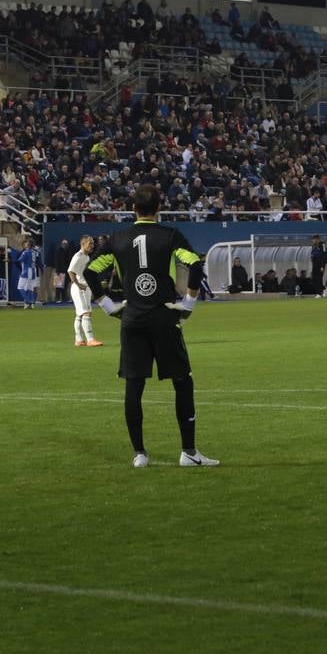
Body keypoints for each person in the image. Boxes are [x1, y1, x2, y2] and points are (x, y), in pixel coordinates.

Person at [82, 184, 218, 469]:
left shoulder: (118, 238)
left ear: (133, 210)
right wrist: (189, 304)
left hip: (132, 319)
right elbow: (195, 265)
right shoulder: (170, 236)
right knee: (183, 381)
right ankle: (188, 452)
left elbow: (90, 271)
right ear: (159, 208)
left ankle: (140, 454)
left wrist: (108, 306)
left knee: (134, 385)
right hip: (164, 317)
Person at [65, 235, 103, 348]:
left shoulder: (86, 257)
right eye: (89, 243)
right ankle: (90, 340)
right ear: (83, 244)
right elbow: (70, 271)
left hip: (84, 287)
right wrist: (78, 284)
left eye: (92, 243)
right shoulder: (78, 256)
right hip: (79, 288)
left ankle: (79, 340)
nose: (92, 245)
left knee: (80, 315)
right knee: (86, 312)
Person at [15, 239, 41, 309]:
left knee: (21, 287)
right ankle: (31, 303)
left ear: (28, 245)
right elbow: (39, 262)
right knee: (31, 288)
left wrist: (10, 261)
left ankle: (28, 301)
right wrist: (42, 269)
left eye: (26, 244)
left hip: (26, 271)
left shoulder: (25, 252)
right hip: (34, 272)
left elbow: (19, 260)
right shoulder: (36, 252)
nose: (25, 245)